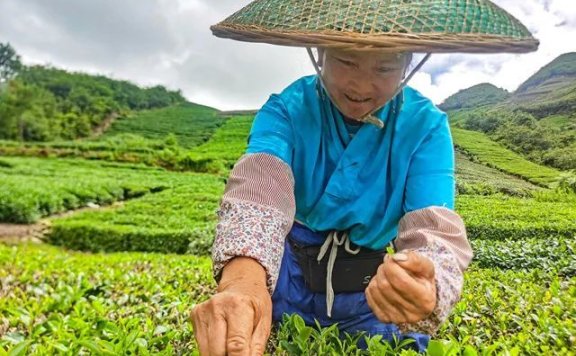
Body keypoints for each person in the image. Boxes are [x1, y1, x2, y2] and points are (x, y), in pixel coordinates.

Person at [191, 1, 539, 355]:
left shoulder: (426, 127)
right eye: (346, 61)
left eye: (386, 67)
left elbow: (434, 223)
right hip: (288, 277)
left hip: (370, 293)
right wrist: (243, 284)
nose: (361, 85)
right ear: (320, 53)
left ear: (408, 65)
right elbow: (261, 185)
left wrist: (426, 281)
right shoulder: (286, 109)